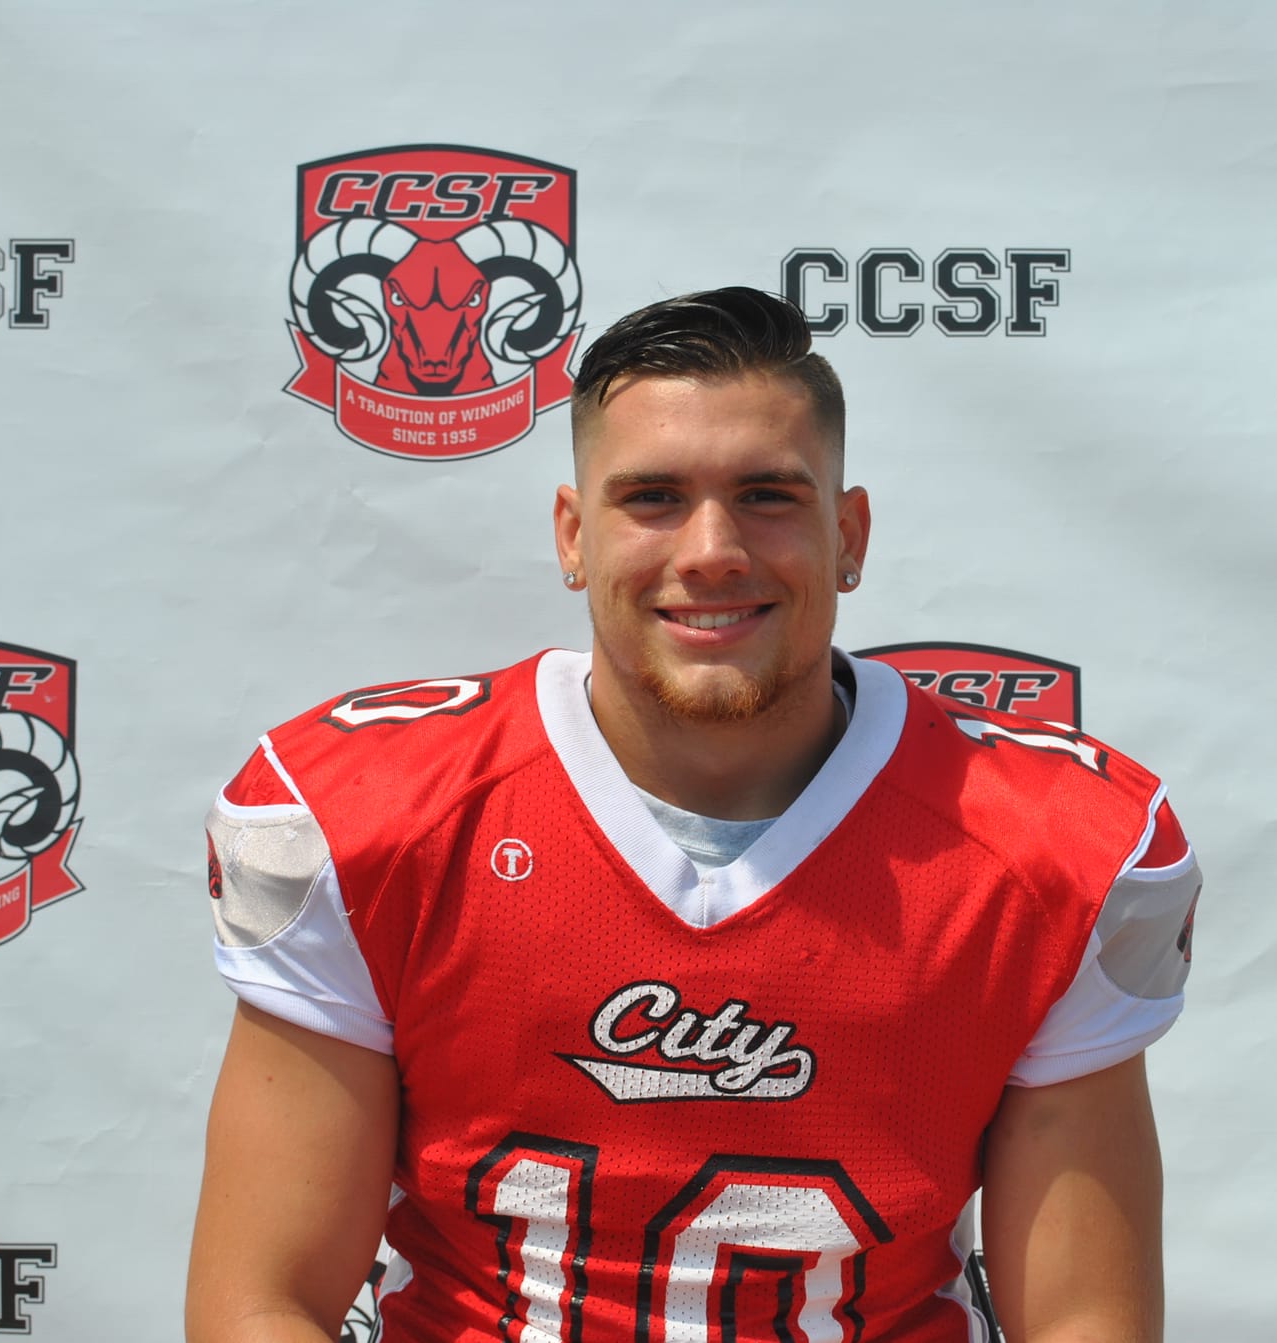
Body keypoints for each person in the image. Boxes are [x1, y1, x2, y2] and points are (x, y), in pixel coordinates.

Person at [186, 287, 1200, 1343]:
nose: (711, 548)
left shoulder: (1040, 849)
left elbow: (1082, 1319)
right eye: (653, 497)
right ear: (573, 535)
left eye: (766, 494)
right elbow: (266, 1299)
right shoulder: (382, 819)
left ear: (846, 532)